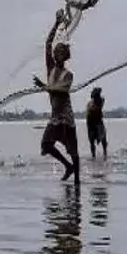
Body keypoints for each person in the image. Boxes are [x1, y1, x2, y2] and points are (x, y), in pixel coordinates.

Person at [32, 10, 79, 184]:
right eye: (56, 53)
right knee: (46, 146)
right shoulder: (51, 68)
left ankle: (77, 183)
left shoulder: (68, 74)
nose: (56, 55)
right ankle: (68, 167)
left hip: (66, 118)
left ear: (65, 57)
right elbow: (47, 44)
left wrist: (44, 86)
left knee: (73, 151)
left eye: (60, 53)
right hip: (54, 117)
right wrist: (56, 22)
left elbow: (61, 91)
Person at [85, 86, 108, 160]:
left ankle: (105, 154)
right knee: (92, 142)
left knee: (103, 140)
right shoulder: (90, 104)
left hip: (98, 123)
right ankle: (93, 156)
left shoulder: (100, 101)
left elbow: (100, 103)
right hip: (91, 124)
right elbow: (89, 112)